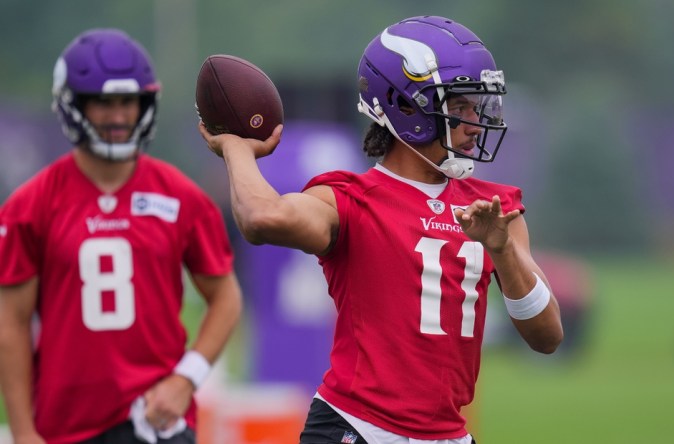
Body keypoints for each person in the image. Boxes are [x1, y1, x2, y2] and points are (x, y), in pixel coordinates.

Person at [199, 15, 563, 444]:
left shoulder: (494, 210)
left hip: (448, 435)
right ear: (405, 105)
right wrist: (236, 148)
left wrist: (503, 250)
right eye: (457, 106)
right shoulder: (349, 199)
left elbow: (548, 337)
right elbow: (262, 219)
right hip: (356, 428)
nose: (472, 122)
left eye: (475, 106)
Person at [0, 29, 242, 444]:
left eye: (128, 102)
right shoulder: (31, 204)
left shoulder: (181, 197)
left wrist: (186, 379)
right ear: (73, 104)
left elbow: (225, 297)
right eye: (103, 103)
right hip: (66, 426)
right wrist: (23, 430)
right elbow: (11, 323)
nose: (118, 116)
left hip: (157, 422)